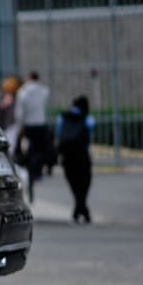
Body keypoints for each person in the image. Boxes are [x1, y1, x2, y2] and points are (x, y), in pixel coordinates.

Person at [55, 95, 94, 224]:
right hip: (82, 155)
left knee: (73, 183)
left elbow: (58, 134)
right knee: (84, 182)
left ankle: (79, 207)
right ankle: (81, 207)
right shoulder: (88, 118)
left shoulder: (62, 117)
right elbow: (90, 131)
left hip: (67, 156)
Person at [14, 70, 52, 202]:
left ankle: (20, 161)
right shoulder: (44, 91)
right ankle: (43, 166)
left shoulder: (23, 92)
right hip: (40, 126)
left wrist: (20, 126)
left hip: (28, 126)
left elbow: (19, 113)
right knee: (45, 148)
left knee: (18, 147)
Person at [0, 75, 21, 153]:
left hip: (8, 124)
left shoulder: (12, 96)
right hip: (9, 124)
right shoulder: (6, 96)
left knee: (10, 146)